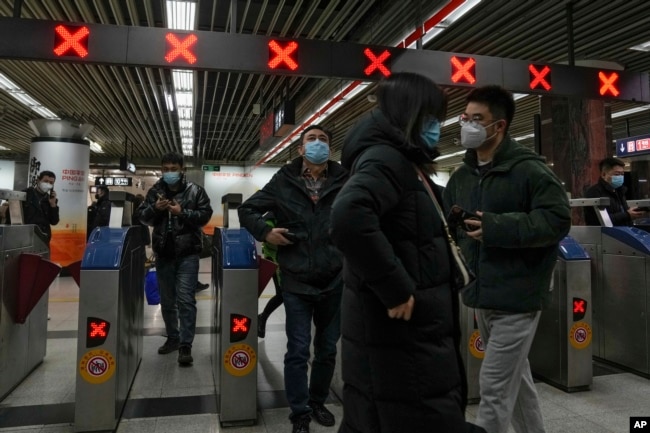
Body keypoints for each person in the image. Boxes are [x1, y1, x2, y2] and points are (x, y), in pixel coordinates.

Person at [329, 72, 468, 433]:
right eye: (432, 117)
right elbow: (348, 217)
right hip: (403, 341)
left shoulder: (403, 161)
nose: (438, 126)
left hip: (404, 340)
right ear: (410, 112)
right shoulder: (386, 158)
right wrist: (394, 286)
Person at [443, 85, 571, 433]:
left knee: (494, 387)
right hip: (481, 294)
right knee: (517, 380)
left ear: (498, 126)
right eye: (465, 117)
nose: (467, 124)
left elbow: (557, 220)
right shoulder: (461, 177)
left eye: (477, 119)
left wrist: (497, 227)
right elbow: (450, 228)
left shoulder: (529, 171)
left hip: (518, 295)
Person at [238, 124, 347, 433]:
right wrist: (265, 231)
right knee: (298, 349)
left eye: (323, 139)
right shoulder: (283, 181)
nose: (317, 144)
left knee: (327, 349)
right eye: (310, 139)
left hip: (334, 279)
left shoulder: (344, 179)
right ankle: (299, 410)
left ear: (330, 148)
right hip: (297, 280)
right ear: (301, 149)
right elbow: (247, 210)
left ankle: (317, 401)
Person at [138, 152, 213, 366]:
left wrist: (183, 212)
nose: (169, 172)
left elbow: (205, 216)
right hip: (163, 254)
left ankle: (185, 344)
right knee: (168, 300)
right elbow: (142, 217)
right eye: (166, 169)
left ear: (182, 169)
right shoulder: (155, 192)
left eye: (174, 168)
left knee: (186, 300)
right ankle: (173, 337)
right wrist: (155, 208)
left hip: (188, 253)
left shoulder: (195, 191)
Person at [583, 156, 645, 226]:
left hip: (624, 232)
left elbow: (623, 212)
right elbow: (599, 220)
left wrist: (630, 213)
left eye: (622, 174)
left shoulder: (619, 191)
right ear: (603, 175)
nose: (620, 177)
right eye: (617, 174)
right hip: (606, 234)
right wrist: (627, 215)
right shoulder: (594, 192)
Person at [257, 211, 283, 339]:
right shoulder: (272, 215)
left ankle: (262, 317)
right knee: (282, 294)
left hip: (290, 260)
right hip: (275, 258)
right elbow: (267, 236)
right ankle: (262, 317)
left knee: (285, 295)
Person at [22, 170, 60, 248]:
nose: (48, 184)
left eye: (51, 183)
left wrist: (53, 205)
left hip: (43, 237)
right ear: (38, 180)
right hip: (25, 235)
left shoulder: (51, 200)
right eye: (45, 181)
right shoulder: (26, 194)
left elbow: (54, 221)